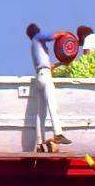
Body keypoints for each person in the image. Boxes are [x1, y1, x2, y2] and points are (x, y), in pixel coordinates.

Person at [26, 23, 72, 152]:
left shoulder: (34, 46)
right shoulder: (38, 38)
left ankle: (39, 143)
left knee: (40, 113)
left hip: (39, 76)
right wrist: (65, 33)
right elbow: (52, 36)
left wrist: (61, 63)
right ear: (37, 31)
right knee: (53, 105)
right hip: (45, 76)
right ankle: (58, 134)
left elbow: (48, 65)